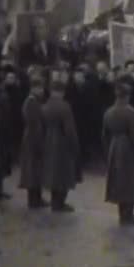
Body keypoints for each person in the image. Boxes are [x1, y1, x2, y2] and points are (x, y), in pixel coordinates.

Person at [102, 78, 134, 225]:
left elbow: (104, 135)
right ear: (127, 95)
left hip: (114, 146)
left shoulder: (108, 112)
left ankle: (122, 213)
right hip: (128, 148)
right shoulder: (130, 112)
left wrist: (107, 150)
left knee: (119, 181)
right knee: (130, 180)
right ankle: (128, 214)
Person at [42, 80, 79, 212]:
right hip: (62, 141)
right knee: (64, 173)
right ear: (61, 92)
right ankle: (60, 203)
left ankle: (54, 201)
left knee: (52, 172)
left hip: (48, 140)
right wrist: (75, 145)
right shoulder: (64, 106)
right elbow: (69, 129)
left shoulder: (45, 106)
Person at [19, 75, 48, 209]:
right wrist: (39, 142)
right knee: (32, 170)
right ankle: (34, 199)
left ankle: (37, 197)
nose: (42, 91)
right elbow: (34, 123)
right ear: (34, 89)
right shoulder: (31, 102)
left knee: (37, 169)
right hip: (32, 139)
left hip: (32, 137)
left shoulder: (34, 101)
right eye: (40, 88)